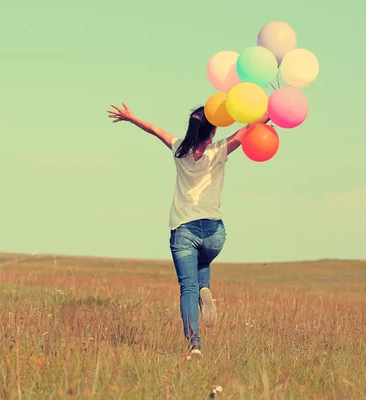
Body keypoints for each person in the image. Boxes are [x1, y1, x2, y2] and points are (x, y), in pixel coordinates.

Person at [106, 102, 269, 357]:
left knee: (187, 288)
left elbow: (154, 129)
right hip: (215, 233)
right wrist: (273, 110)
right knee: (203, 260)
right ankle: (206, 287)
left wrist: (131, 118)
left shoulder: (178, 150)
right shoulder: (219, 150)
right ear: (212, 132)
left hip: (183, 230)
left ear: (192, 128)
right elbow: (249, 128)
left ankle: (195, 344)